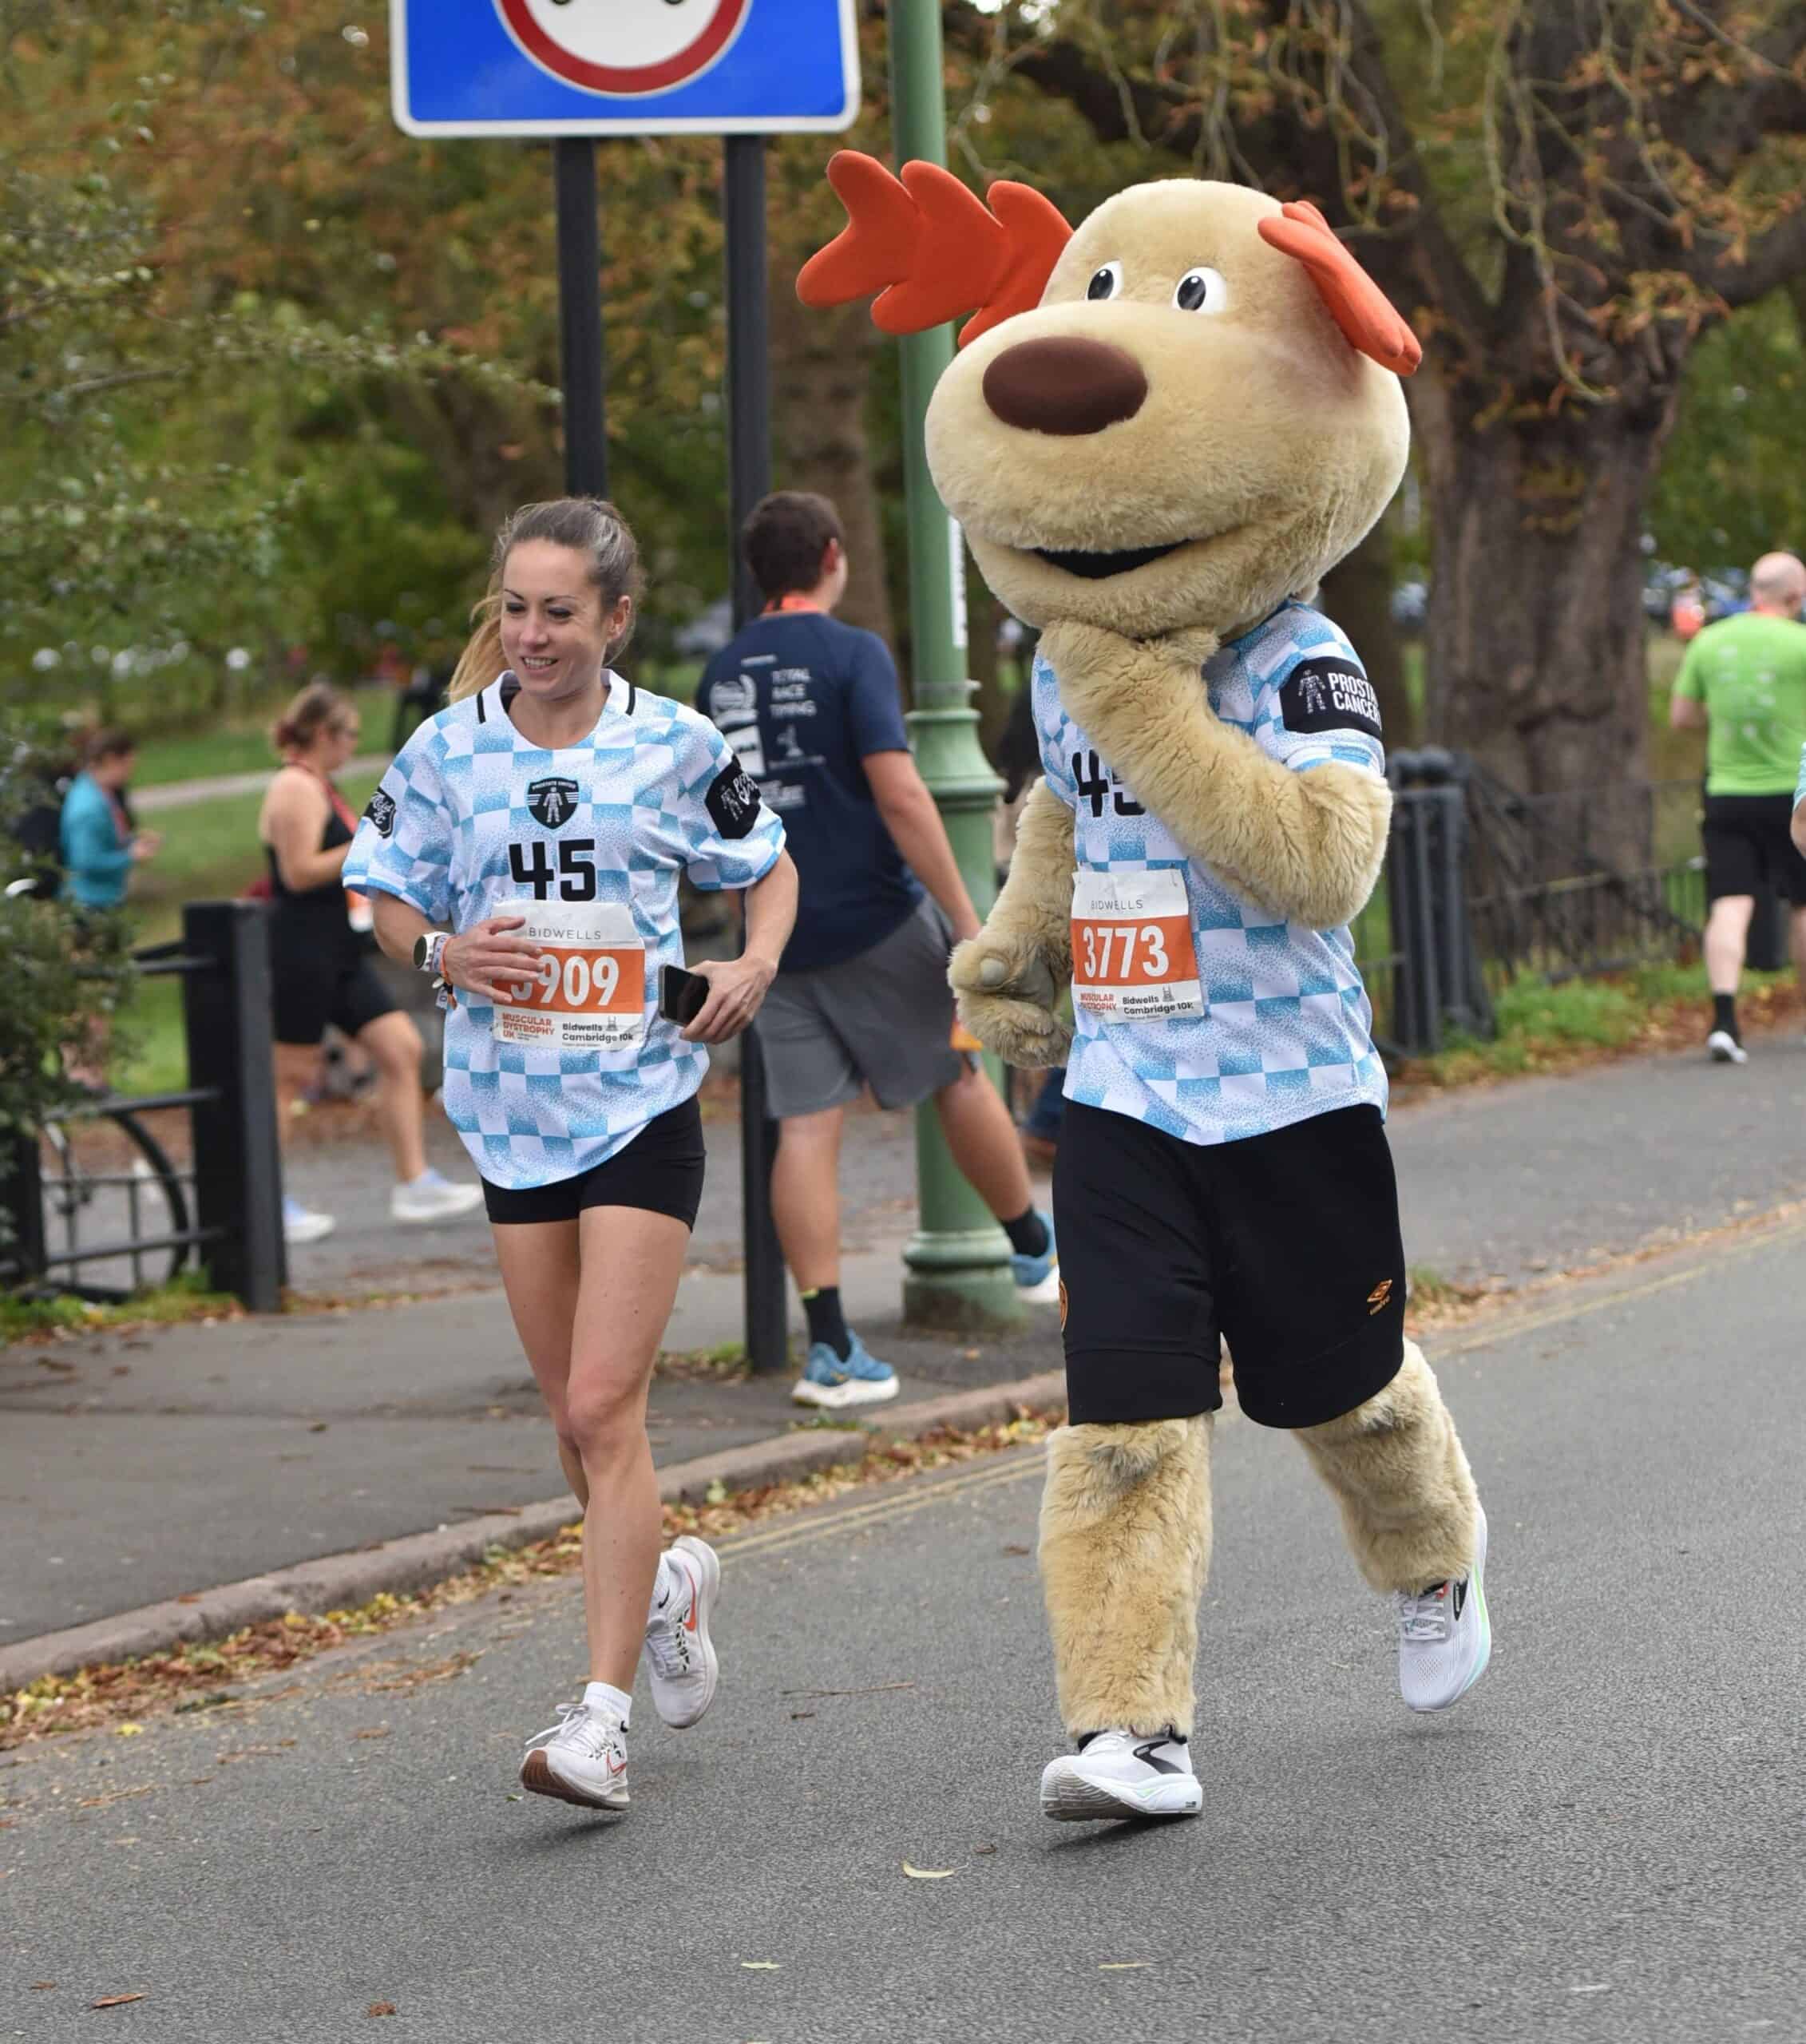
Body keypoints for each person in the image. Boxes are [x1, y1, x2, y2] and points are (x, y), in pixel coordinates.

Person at [344, 497, 797, 1814]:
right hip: (509, 1106)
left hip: (641, 1099)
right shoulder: (444, 749)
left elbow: (766, 864)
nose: (531, 634)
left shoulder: (674, 744)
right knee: (569, 1422)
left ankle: (598, 1721)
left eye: (558, 612)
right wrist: (438, 951)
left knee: (604, 1406)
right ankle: (660, 1581)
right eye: (516, 608)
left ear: (613, 617)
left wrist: (753, 961)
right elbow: (381, 893)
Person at [699, 491, 1055, 1410]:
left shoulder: (722, 674)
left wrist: (753, 931)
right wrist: (966, 916)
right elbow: (899, 793)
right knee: (955, 1076)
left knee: (807, 1127)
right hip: (875, 914)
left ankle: (828, 1347)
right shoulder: (853, 653)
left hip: (772, 936)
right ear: (830, 555)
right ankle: (1029, 1244)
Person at [258, 682, 482, 1246]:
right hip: (300, 948)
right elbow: (297, 872)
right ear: (323, 734)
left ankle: (414, 1182)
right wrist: (367, 844)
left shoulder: (320, 785)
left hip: (337, 947)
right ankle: (261, 1202)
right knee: (288, 1079)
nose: (353, 745)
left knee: (401, 1048)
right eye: (350, 733)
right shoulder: (293, 786)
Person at [1669, 549, 1806, 1063]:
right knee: (1804, 904)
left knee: (1730, 902)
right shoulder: (1801, 644)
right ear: (1795, 596)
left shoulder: (1710, 640)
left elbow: (1682, 717)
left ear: (1754, 591)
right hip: (1793, 795)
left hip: (1727, 791)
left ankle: (1725, 1021)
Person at [59, 730, 158, 913]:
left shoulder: (100, 791)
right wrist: (131, 856)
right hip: (91, 904)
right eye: (128, 766)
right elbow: (85, 862)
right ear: (111, 760)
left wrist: (133, 842)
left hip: (107, 896)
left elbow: (104, 842)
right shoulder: (88, 807)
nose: (130, 773)